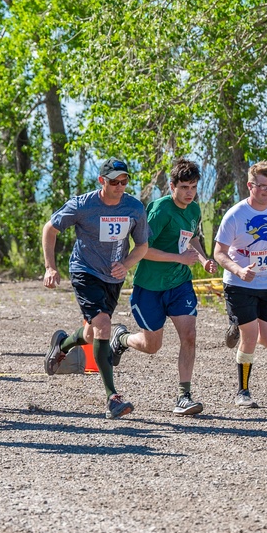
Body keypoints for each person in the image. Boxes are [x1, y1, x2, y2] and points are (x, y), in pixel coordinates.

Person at [107, 158, 217, 416]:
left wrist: (202, 259)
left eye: (193, 187)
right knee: (152, 345)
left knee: (189, 335)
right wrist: (180, 258)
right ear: (172, 186)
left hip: (179, 284)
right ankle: (122, 338)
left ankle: (184, 396)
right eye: (184, 187)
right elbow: (143, 251)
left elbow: (193, 238)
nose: (189, 193)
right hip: (150, 287)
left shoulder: (194, 210)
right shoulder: (159, 210)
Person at [42, 157, 149, 419]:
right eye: (114, 181)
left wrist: (127, 264)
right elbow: (50, 229)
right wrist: (50, 266)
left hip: (113, 277)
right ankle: (112, 397)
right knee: (103, 325)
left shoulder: (134, 208)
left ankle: (63, 344)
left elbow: (142, 246)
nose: (120, 186)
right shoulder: (83, 205)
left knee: (91, 335)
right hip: (84, 270)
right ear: (102, 181)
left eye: (125, 181)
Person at [213, 160, 267, 408]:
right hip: (240, 283)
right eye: (262, 186)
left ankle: (237, 327)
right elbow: (219, 252)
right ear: (250, 185)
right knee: (250, 335)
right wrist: (239, 270)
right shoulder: (236, 215)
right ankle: (243, 392)